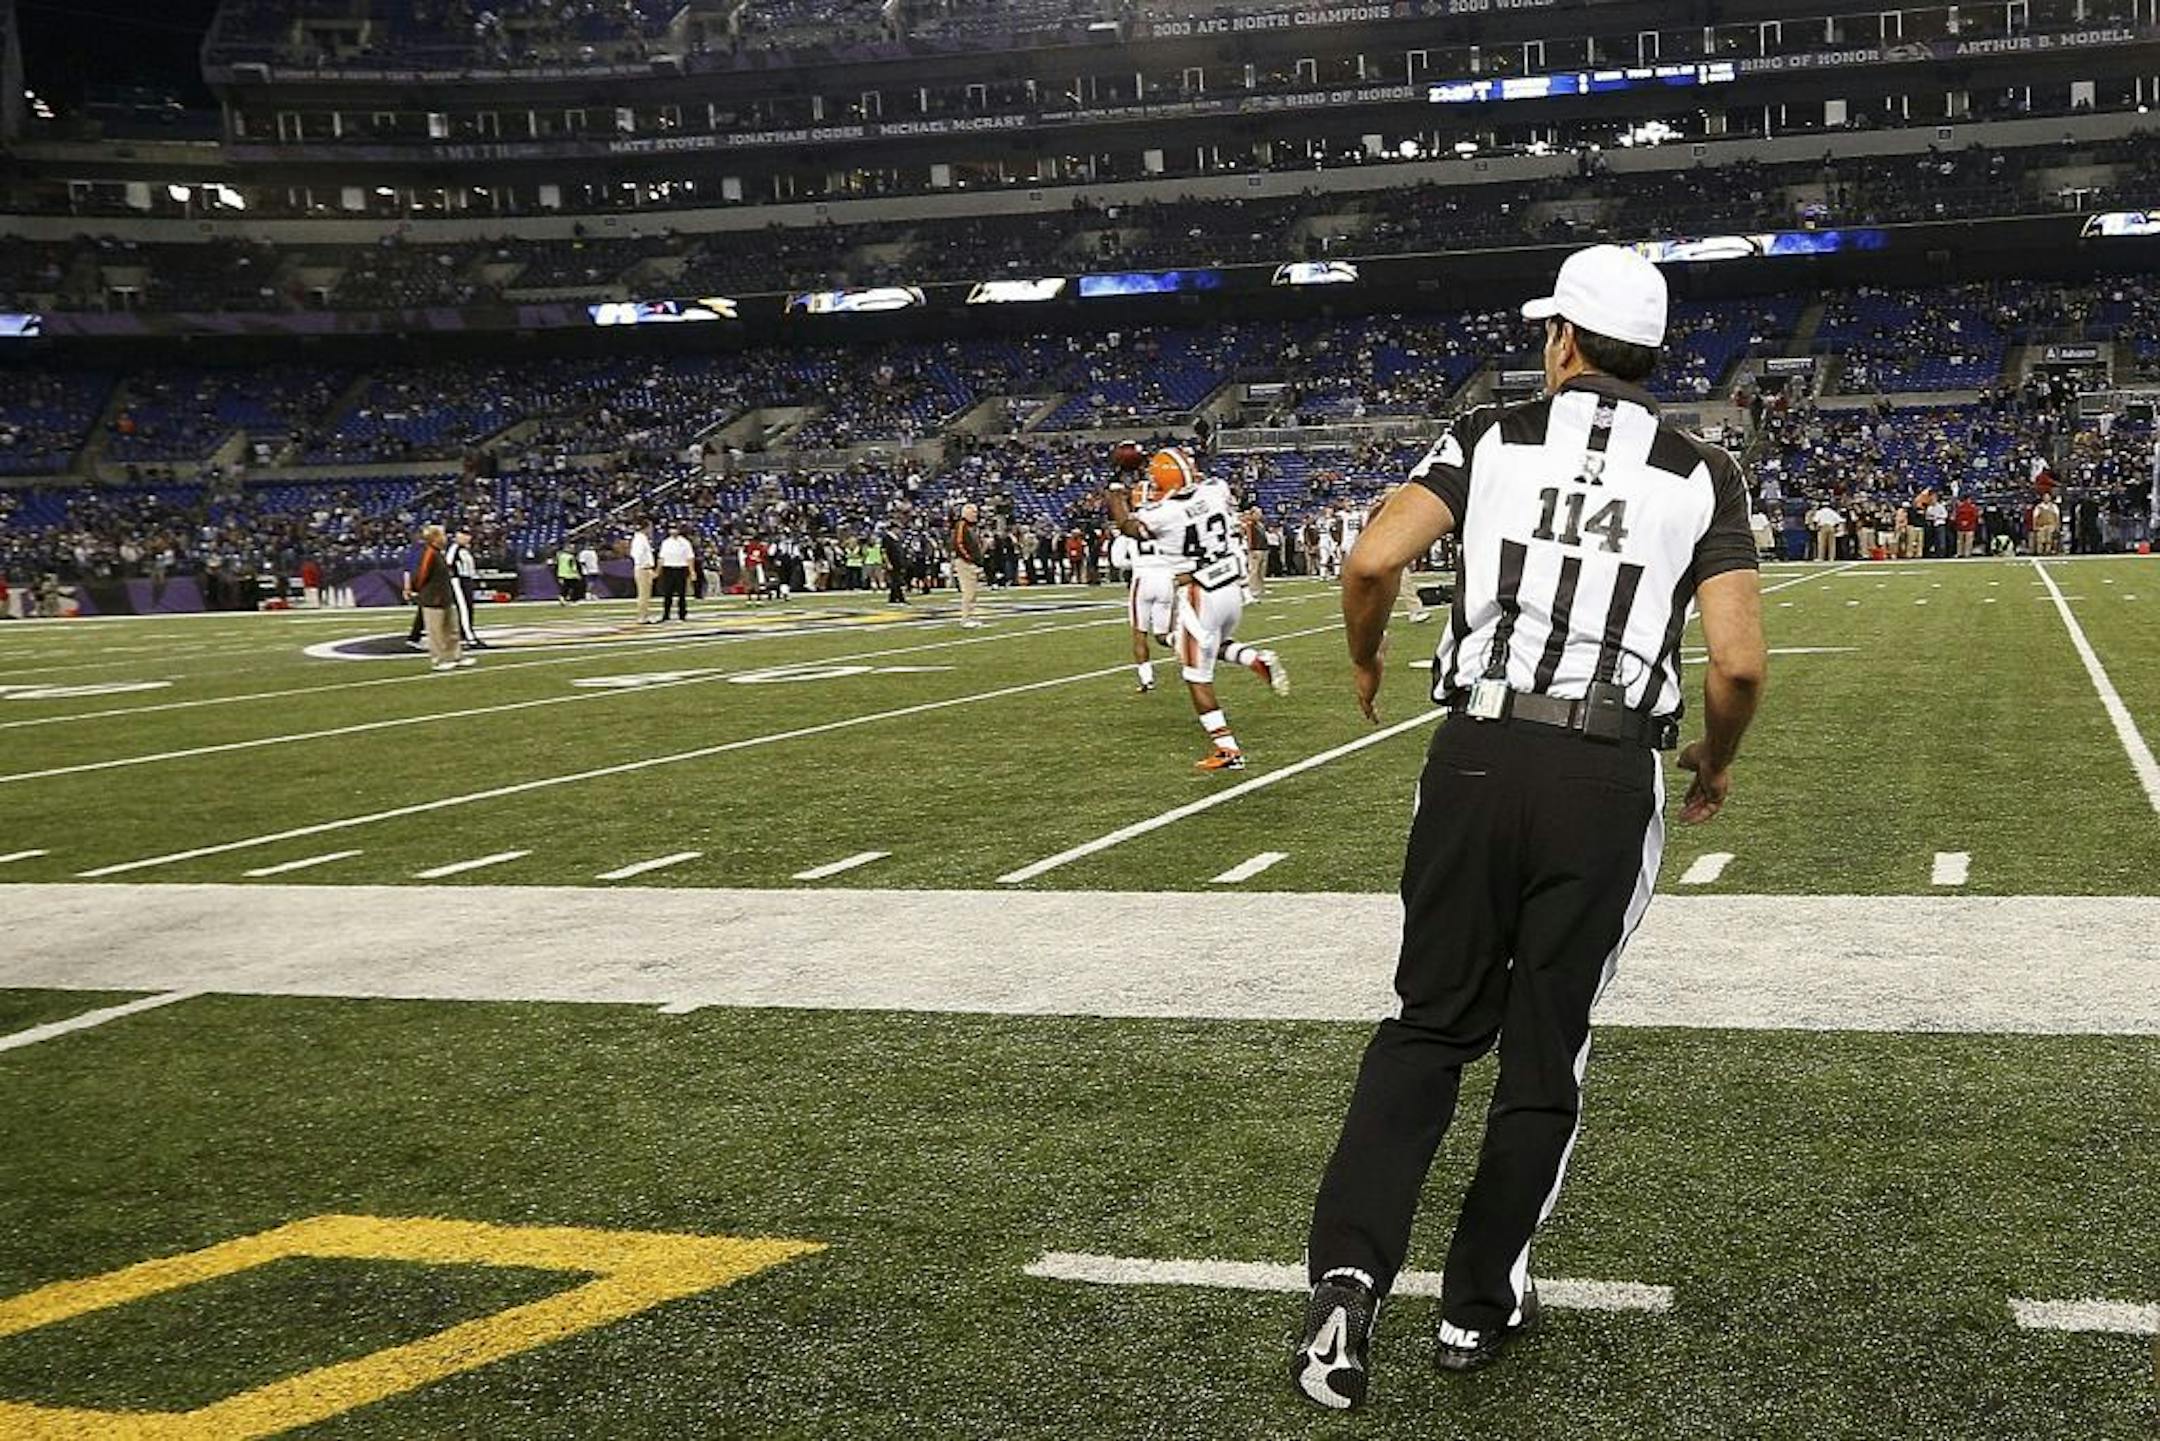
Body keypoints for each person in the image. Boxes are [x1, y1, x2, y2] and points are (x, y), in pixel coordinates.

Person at [1293, 244, 1767, 1409]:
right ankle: (1474, 1304)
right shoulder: (1703, 469)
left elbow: (1370, 559)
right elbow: (1741, 666)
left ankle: (1346, 1287)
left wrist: (1363, 657)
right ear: (1648, 354)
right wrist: (1715, 761)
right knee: (1545, 1043)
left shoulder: (1491, 436)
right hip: (1604, 767)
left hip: (1478, 751)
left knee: (1425, 1028)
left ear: (1563, 340)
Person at [1107, 447, 1288, 770]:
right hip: (1229, 589)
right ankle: (1252, 658)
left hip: (1198, 593)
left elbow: (1128, 526)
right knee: (1201, 645)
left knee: (1196, 674)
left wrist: (1116, 490)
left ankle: (1226, 748)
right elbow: (1197, 483)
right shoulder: (1216, 491)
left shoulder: (1162, 514)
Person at [406, 524, 474, 673]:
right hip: (433, 598)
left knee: (452, 629)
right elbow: (421, 574)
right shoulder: (429, 553)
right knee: (436, 632)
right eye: (442, 535)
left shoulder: (439, 552)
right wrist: (417, 590)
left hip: (444, 597)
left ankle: (456, 655)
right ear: (435, 538)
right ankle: (439, 659)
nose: (445, 538)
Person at [445, 525, 483, 649]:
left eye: (468, 535)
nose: (466, 537)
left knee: (468, 608)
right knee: (464, 608)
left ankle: (466, 634)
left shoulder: (466, 550)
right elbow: (448, 564)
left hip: (466, 580)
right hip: (458, 580)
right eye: (463, 534)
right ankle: (469, 637)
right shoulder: (454, 548)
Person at [953, 503, 987, 628]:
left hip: (971, 562)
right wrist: (969, 559)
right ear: (966, 513)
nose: (976, 515)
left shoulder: (971, 527)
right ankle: (966, 618)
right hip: (965, 562)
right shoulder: (962, 525)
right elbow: (958, 544)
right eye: (973, 512)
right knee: (968, 591)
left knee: (972, 592)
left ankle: (970, 616)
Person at [657, 524, 694, 621]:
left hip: (681, 568)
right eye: (671, 529)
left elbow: (689, 557)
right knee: (667, 593)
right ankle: (666, 614)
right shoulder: (665, 542)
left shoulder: (685, 543)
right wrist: (658, 570)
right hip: (668, 568)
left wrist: (692, 571)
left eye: (675, 528)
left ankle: (682, 614)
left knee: (681, 594)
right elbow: (661, 558)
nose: (673, 531)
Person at [630, 520, 658, 623]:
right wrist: (643, 565)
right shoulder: (639, 539)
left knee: (646, 594)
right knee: (643, 594)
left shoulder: (642, 538)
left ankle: (645, 615)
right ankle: (642, 616)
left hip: (644, 568)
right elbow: (637, 554)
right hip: (643, 569)